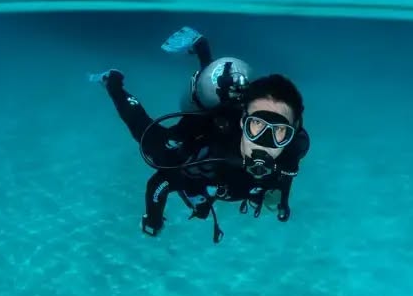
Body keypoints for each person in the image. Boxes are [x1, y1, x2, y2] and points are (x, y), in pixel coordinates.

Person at [92, 26, 310, 243]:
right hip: (202, 128)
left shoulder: (290, 152)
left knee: (227, 100)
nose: (264, 144)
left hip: (227, 122)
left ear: (291, 135)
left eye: (280, 132)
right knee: (151, 143)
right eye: (255, 126)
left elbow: (287, 172)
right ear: (244, 121)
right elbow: (160, 183)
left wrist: (283, 202)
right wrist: (153, 219)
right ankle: (113, 83)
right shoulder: (210, 152)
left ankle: (203, 50)